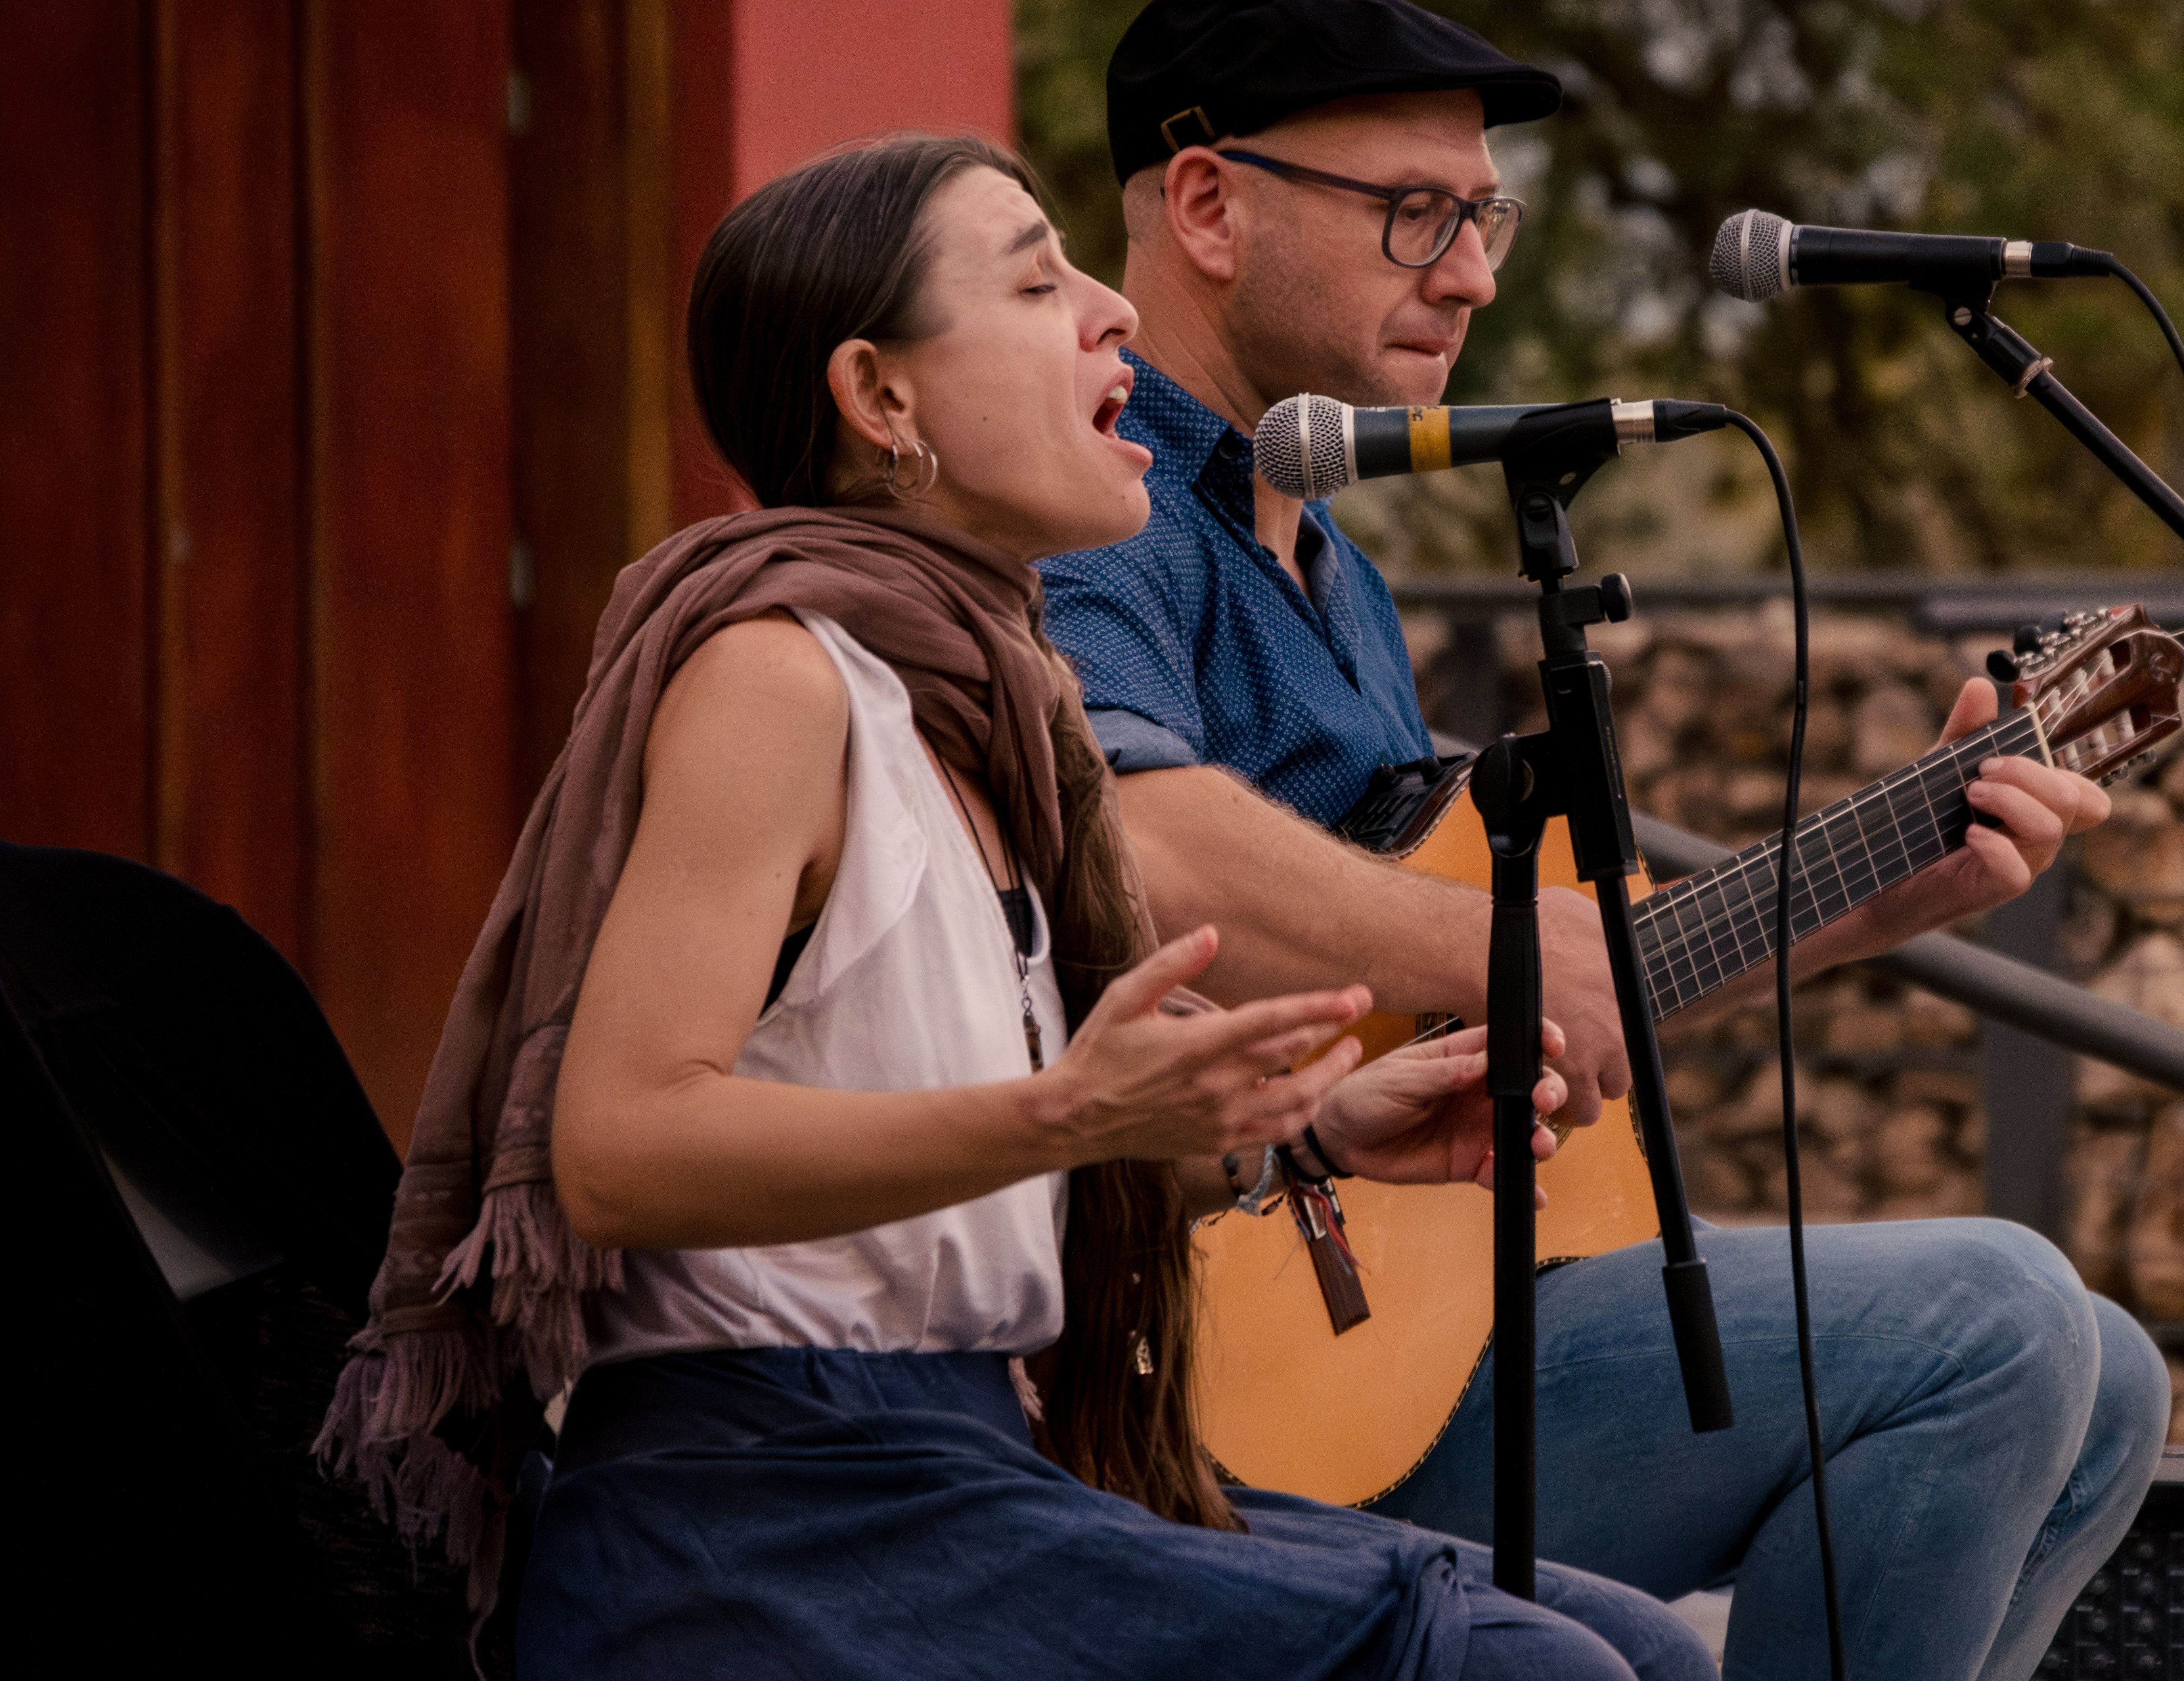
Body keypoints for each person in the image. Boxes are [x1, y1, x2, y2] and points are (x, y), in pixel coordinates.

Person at [317, 132, 1713, 1681]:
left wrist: (1301, 1138)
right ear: (880, 398)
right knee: (1534, 1671)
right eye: (1038, 281)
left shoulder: (989, 714)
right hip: (764, 1521)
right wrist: (1063, 1113)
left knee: (1634, 1647)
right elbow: (622, 1152)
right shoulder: (778, 678)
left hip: (959, 1462)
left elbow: (953, 1176)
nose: (1112, 311)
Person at [1037, 0, 2173, 1681]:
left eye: (1488, 217)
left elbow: (1475, 999)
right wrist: (1506, 941)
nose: (1478, 274)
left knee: (2112, 1379)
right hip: (1211, 1348)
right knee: (1998, 1321)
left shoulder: (1334, 569)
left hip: (1428, 1328)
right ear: (1207, 203)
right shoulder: (1105, 524)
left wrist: (1880, 890)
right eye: (1421, 215)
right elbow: (1136, 843)